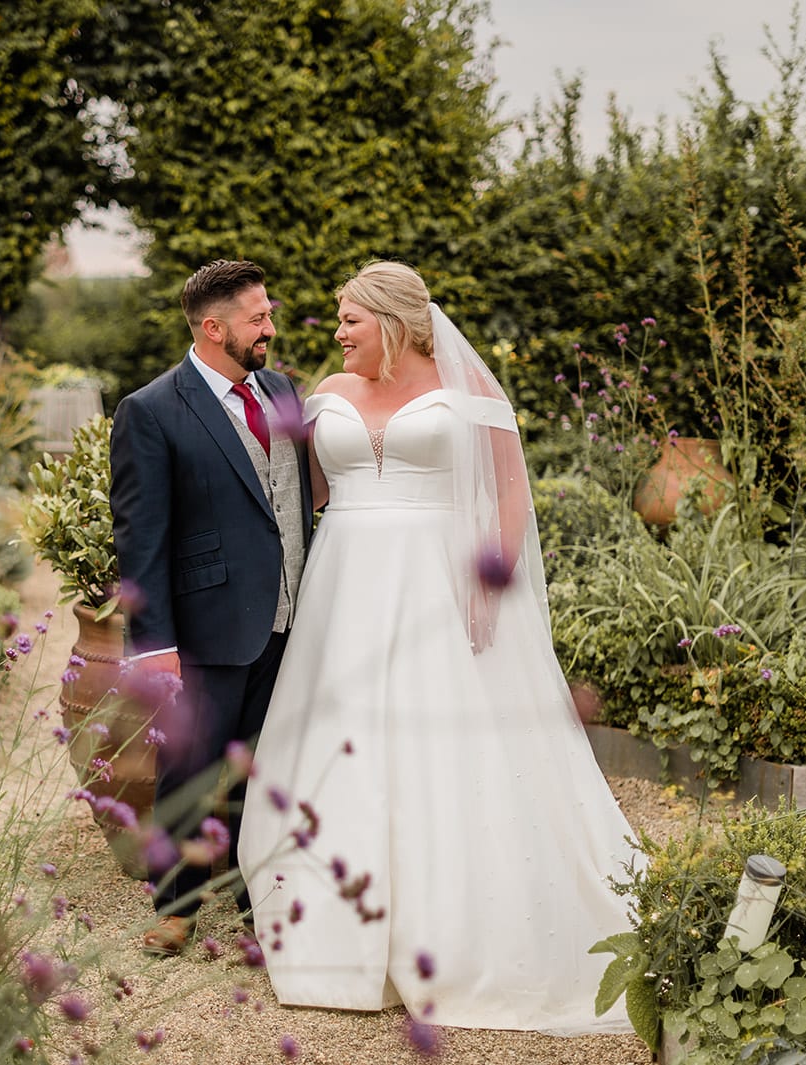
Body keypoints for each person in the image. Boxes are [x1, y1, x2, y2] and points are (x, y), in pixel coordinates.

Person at [236, 260, 639, 1033]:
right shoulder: (327, 393)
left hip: (436, 588)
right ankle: (339, 938)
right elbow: (308, 496)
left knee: (444, 743)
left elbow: (510, 492)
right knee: (343, 740)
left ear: (389, 321)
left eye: (349, 318)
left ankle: (450, 929)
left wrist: (491, 582)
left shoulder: (473, 396)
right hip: (344, 591)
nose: (338, 331)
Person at [110, 259, 314, 956]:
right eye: (258, 318)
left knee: (272, 763)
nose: (271, 328)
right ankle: (175, 908)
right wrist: (152, 643)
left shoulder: (283, 390)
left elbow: (294, 500)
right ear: (212, 326)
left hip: (289, 619)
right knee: (191, 767)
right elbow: (141, 538)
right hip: (206, 624)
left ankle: (263, 898)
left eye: (268, 314)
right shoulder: (152, 408)